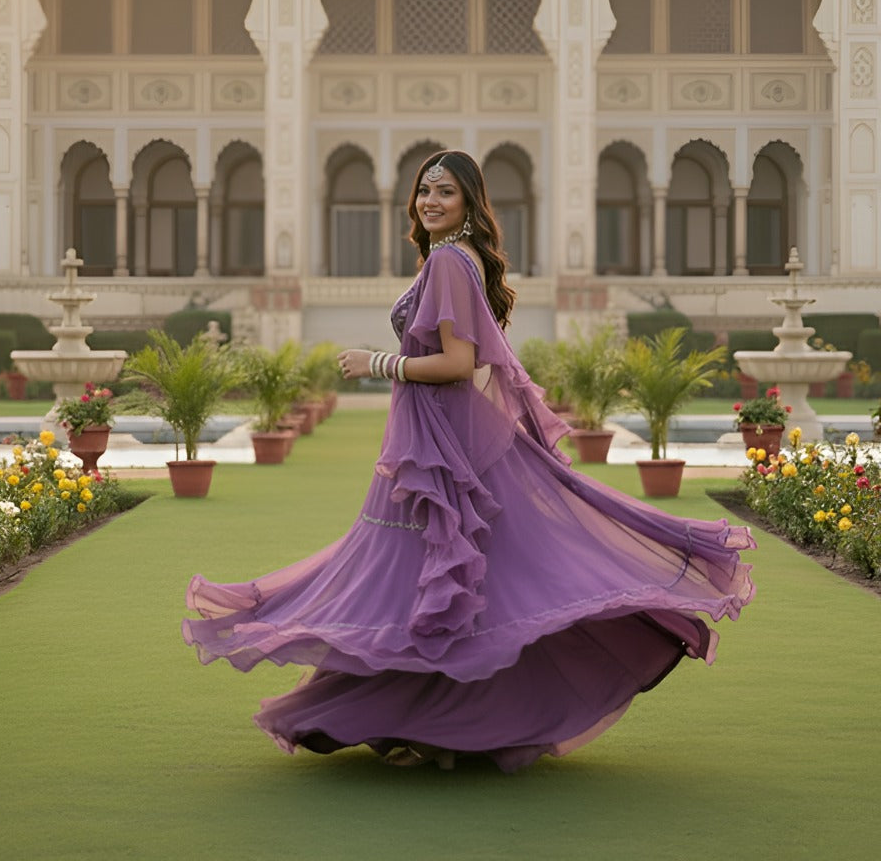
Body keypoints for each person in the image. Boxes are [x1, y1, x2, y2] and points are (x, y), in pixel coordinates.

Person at [182, 149, 755, 772]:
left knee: (425, 578)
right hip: (435, 437)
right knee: (446, 583)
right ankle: (428, 724)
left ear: (468, 204)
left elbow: (461, 363)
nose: (430, 201)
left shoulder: (452, 261)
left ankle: (431, 723)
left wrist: (377, 363)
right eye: (424, 190)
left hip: (443, 445)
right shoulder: (453, 259)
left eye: (445, 192)